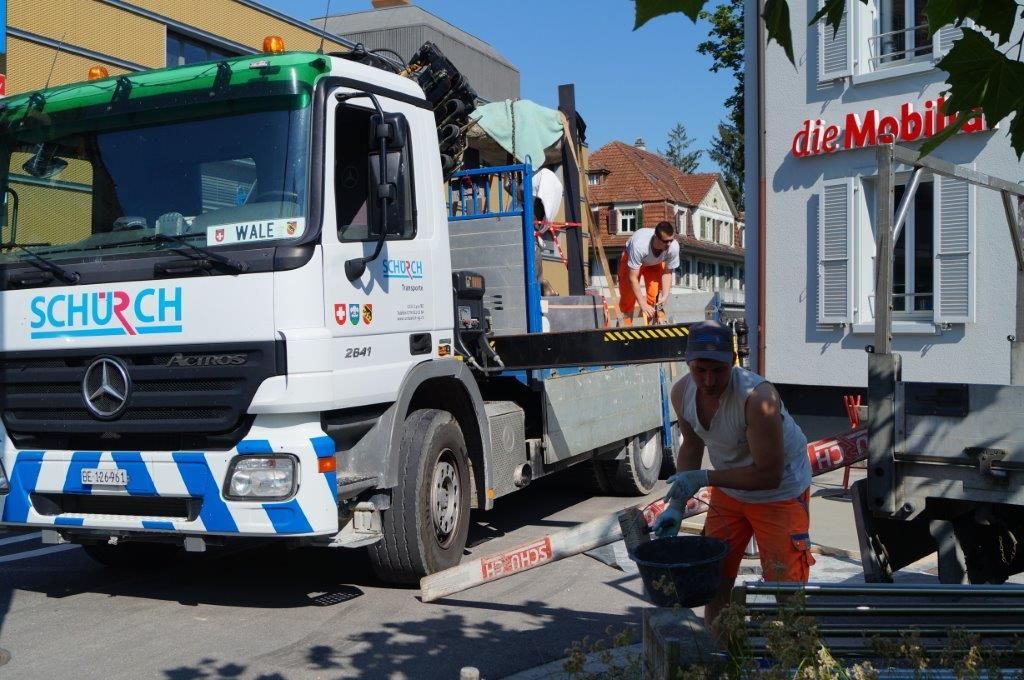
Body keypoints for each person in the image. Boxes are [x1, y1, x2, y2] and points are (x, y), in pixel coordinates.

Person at [653, 320, 813, 632]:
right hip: (730, 490)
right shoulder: (682, 393)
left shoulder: (758, 399)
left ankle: (794, 653)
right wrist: (676, 505)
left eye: (718, 370)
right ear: (688, 363)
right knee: (714, 578)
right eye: (700, 370)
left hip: (780, 493)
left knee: (785, 588)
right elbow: (692, 445)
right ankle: (721, 651)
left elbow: (768, 476)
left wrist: (705, 478)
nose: (709, 380)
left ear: (733, 362)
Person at [617, 221, 679, 326]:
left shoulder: (673, 246)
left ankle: (655, 325)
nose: (669, 244)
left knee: (655, 295)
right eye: (665, 241)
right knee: (628, 297)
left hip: (655, 264)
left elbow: (667, 273)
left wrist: (665, 296)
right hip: (631, 260)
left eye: (671, 240)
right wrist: (642, 303)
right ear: (656, 238)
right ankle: (625, 326)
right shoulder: (639, 245)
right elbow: (633, 278)